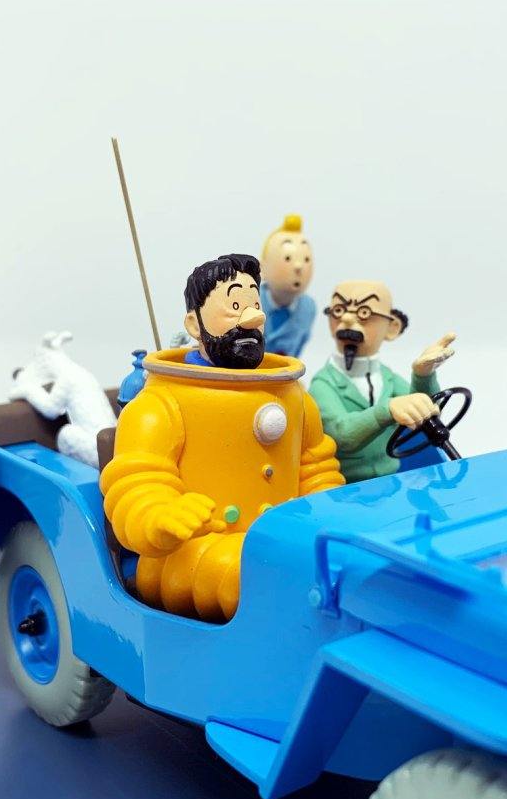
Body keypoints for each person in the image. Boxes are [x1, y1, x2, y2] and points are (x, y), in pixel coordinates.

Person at [100, 254, 344, 622]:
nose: (253, 318)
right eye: (235, 306)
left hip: (285, 536)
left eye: (255, 304)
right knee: (260, 579)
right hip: (191, 553)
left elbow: (316, 468)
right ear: (193, 324)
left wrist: (325, 514)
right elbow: (137, 483)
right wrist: (162, 515)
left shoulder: (294, 396)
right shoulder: (159, 405)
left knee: (336, 564)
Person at [309, 279, 456, 483]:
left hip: (391, 480)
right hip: (345, 485)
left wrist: (424, 375)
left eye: (364, 313)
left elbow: (428, 414)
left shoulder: (388, 379)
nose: (347, 319)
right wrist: (387, 410)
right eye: (339, 311)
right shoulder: (323, 384)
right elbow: (340, 435)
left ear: (392, 327)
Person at [259, 214, 317, 357]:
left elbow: (300, 345)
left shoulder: (308, 308)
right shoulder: (252, 301)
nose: (298, 266)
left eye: (306, 259)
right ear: (262, 268)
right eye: (287, 258)